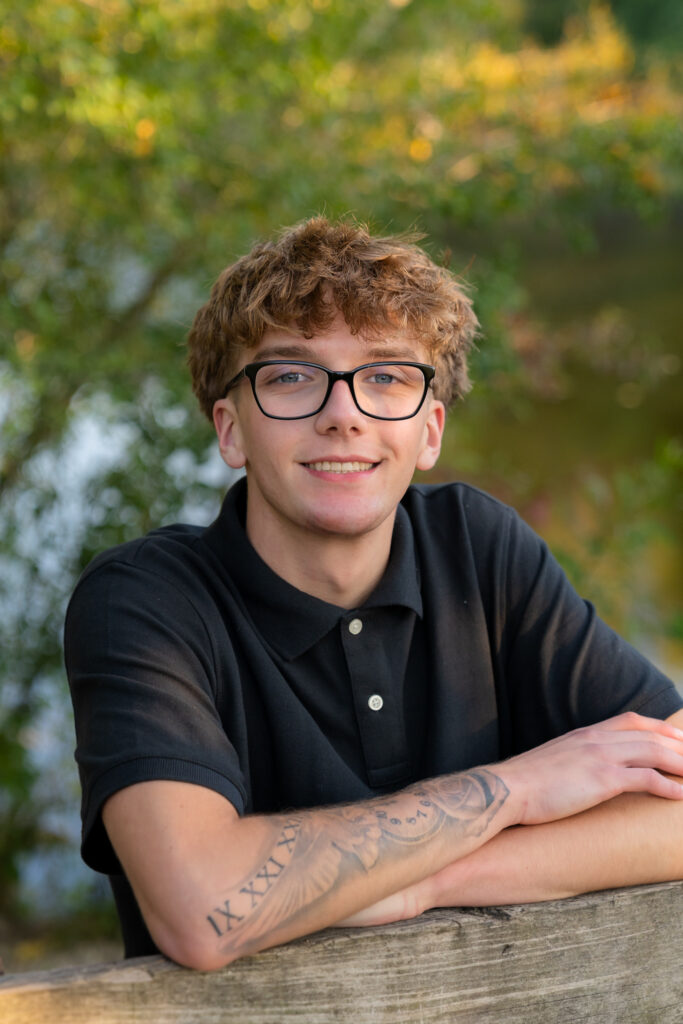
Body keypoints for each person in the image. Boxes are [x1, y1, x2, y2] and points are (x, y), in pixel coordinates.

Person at [65, 217, 683, 971]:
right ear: (230, 431)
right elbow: (202, 908)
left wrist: (426, 880)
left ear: (429, 431)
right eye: (291, 376)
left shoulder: (477, 546)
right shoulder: (146, 602)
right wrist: (515, 790)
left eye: (385, 376)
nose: (343, 413)